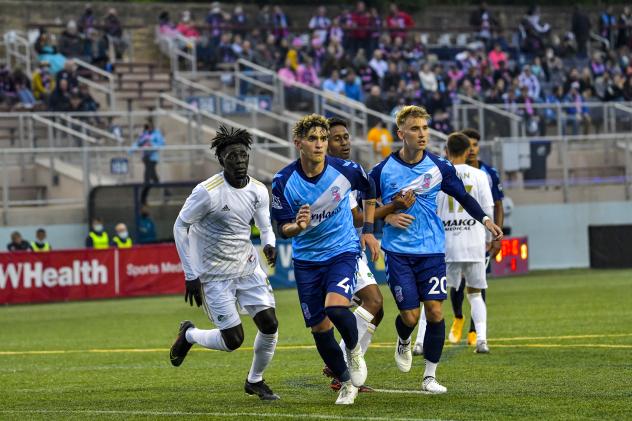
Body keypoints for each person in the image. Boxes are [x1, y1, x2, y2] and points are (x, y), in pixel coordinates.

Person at [369, 106, 502, 394]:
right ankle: (404, 338)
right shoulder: (381, 171)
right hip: (399, 251)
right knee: (410, 317)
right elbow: (364, 208)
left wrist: (486, 219)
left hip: (431, 250)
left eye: (425, 128)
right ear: (400, 133)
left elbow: (463, 197)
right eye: (415, 129)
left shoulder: (440, 167)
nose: (422, 134)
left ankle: (430, 376)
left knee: (435, 312)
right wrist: (388, 214)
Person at [271, 114, 380, 405]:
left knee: (336, 307)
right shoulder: (283, 181)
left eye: (322, 138)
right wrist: (298, 226)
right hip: (306, 260)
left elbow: (370, 193)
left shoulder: (348, 170)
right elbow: (281, 229)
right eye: (313, 139)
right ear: (298, 144)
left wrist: (368, 230)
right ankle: (345, 382)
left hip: (342, 252)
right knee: (320, 329)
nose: (320, 144)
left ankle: (354, 350)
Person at [170, 126, 280, 401]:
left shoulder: (257, 189)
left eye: (243, 155)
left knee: (270, 324)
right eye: (232, 156)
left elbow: (265, 226)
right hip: (214, 274)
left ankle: (255, 380)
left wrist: (270, 244)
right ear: (221, 160)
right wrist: (190, 274)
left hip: (247, 267)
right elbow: (180, 226)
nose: (240, 161)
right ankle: (190, 334)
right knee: (233, 340)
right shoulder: (207, 192)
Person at [323, 117, 384, 393]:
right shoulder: (332, 175)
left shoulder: (353, 170)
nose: (344, 142)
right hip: (337, 250)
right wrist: (393, 207)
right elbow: (355, 215)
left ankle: (341, 371)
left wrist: (372, 223)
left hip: (351, 247)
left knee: (376, 310)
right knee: (374, 301)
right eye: (337, 138)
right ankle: (339, 362)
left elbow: (364, 209)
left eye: (346, 137)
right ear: (325, 144)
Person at [437, 128, 504, 349]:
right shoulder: (480, 175)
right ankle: (482, 339)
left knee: (433, 295)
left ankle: (419, 343)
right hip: (474, 242)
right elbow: (488, 207)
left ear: (446, 151)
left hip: (446, 244)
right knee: (475, 292)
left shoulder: (438, 173)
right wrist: (490, 235)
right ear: (467, 150)